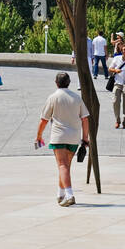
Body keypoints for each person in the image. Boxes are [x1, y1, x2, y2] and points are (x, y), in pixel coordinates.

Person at [35, 71, 90, 207]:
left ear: (56, 83)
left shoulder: (53, 97)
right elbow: (85, 119)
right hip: (74, 137)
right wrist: (85, 139)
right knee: (65, 166)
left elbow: (44, 120)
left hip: (59, 136)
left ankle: (69, 195)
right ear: (69, 83)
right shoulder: (77, 98)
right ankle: (60, 194)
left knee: (62, 165)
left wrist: (39, 135)